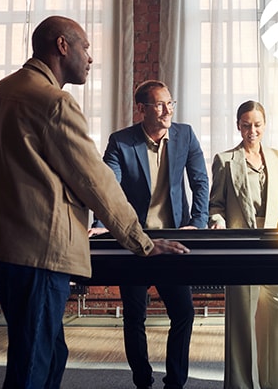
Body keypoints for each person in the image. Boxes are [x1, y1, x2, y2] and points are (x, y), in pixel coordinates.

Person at [0, 16, 189, 389]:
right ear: (62, 46)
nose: (90, 58)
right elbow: (95, 180)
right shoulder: (54, 102)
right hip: (38, 251)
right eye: (85, 47)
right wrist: (142, 243)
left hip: (1, 247)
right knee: (34, 365)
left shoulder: (0, 92)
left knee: (46, 353)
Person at [89, 79, 210, 389]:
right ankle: (142, 380)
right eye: (159, 104)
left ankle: (176, 383)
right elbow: (108, 188)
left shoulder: (185, 135)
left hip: (172, 241)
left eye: (170, 103)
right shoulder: (121, 142)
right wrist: (101, 226)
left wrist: (197, 223)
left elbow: (200, 182)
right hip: (136, 242)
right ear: (141, 109)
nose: (167, 109)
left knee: (183, 313)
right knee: (134, 315)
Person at [209, 100, 278, 389]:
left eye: (257, 124)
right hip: (241, 246)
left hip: (275, 245)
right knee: (242, 323)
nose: (252, 130)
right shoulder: (225, 160)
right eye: (246, 125)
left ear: (265, 125)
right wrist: (218, 221)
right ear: (238, 126)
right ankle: (242, 385)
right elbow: (216, 205)